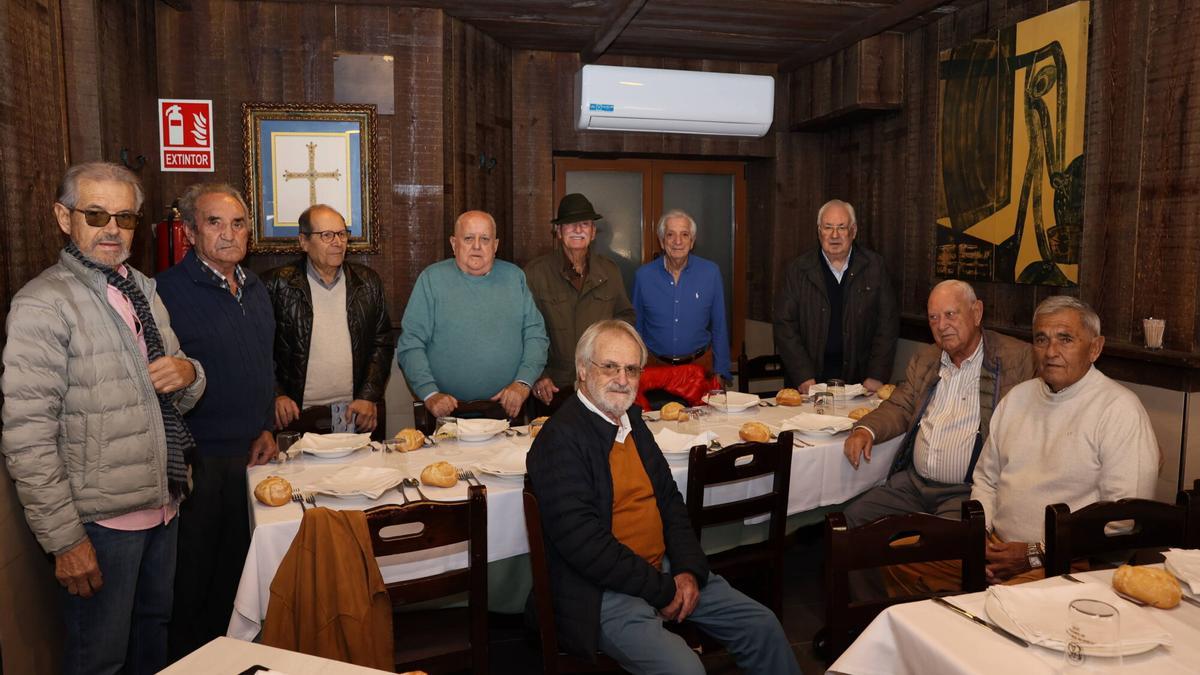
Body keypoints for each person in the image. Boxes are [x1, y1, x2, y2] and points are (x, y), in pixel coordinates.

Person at [1, 162, 205, 674]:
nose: (112, 229)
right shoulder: (43, 304)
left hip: (164, 502)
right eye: (96, 215)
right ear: (63, 218)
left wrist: (189, 373)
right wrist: (66, 540)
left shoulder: (142, 289)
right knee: (100, 662)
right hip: (102, 524)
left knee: (151, 643)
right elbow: (27, 438)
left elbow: (175, 388)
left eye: (125, 217)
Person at [527, 320, 801, 675]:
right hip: (600, 593)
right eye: (609, 366)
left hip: (664, 569)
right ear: (582, 369)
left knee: (762, 626)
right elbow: (586, 546)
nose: (622, 379)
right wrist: (663, 590)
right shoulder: (559, 439)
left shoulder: (633, 424)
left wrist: (688, 570)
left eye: (631, 369)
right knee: (684, 670)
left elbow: (671, 504)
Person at [156, 183, 277, 658]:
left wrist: (267, 424)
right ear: (189, 231)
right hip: (197, 462)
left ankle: (237, 662)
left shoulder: (255, 287)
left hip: (251, 454)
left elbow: (265, 365)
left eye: (238, 223)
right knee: (194, 584)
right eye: (214, 222)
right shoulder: (165, 293)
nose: (229, 234)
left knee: (239, 579)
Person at [971, 296, 1160, 584]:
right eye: (1041, 339)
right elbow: (986, 479)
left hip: (1070, 563)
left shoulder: (1119, 410)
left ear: (1095, 348)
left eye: (1066, 339)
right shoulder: (1017, 398)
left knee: (990, 611)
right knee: (893, 561)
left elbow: (1124, 521)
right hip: (996, 549)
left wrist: (1035, 555)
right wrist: (981, 537)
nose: (1051, 352)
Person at [842, 280, 1033, 527]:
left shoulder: (1015, 359)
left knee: (941, 548)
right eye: (933, 318)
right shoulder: (926, 358)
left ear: (976, 313)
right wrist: (864, 430)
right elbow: (900, 405)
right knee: (850, 524)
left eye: (950, 315)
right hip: (913, 485)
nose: (942, 326)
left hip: (967, 493)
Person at [396, 210, 548, 418]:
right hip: (447, 412)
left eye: (484, 239)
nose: (477, 246)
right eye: (468, 238)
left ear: (495, 246)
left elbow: (536, 336)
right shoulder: (431, 280)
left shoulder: (515, 278)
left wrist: (523, 383)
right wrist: (429, 393)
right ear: (453, 243)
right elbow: (411, 344)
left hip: (506, 409)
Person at [262, 204, 393, 434]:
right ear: (303, 241)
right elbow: (259, 349)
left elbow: (381, 343)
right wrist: (276, 394)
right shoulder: (275, 285)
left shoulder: (368, 282)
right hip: (295, 415)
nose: (337, 242)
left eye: (342, 234)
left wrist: (369, 395)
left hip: (356, 412)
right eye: (326, 235)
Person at [773, 199, 899, 393]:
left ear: (853, 231)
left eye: (841, 227)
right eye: (828, 227)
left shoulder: (874, 267)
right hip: (809, 382)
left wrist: (876, 374)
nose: (834, 235)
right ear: (818, 231)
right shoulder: (798, 270)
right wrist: (802, 375)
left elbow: (887, 324)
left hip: (859, 382)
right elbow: (784, 325)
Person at [525, 193, 635, 408]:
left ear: (593, 233)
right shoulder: (535, 274)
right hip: (553, 389)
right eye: (569, 225)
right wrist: (539, 375)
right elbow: (523, 331)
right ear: (558, 232)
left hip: (601, 385)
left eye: (584, 224)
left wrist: (614, 364)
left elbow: (626, 317)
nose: (577, 230)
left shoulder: (610, 271)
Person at [632, 209, 732, 382]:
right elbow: (636, 328)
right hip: (654, 369)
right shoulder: (643, 276)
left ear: (692, 241)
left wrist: (721, 370)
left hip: (699, 368)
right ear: (662, 242)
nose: (678, 241)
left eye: (684, 235)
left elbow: (720, 325)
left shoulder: (711, 273)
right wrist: (634, 368)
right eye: (670, 235)